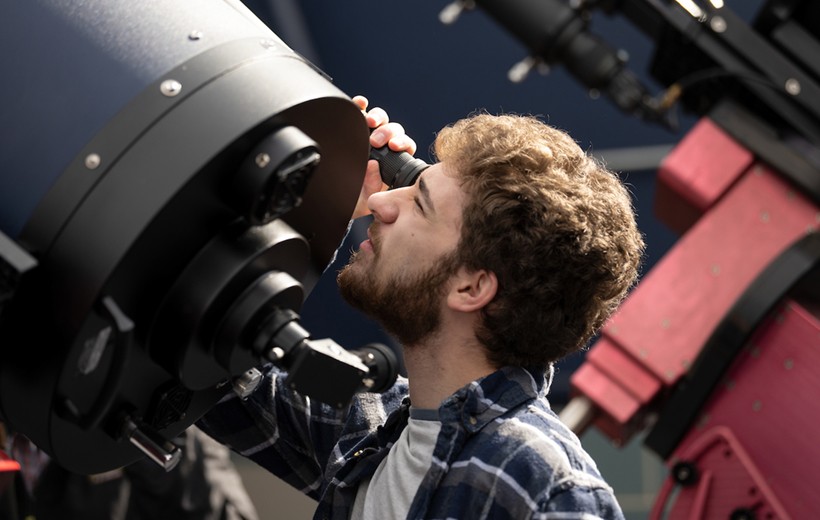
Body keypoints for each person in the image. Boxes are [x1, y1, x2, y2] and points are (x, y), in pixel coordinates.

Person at [198, 95, 644, 519]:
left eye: (420, 202)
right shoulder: (374, 428)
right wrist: (318, 208)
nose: (379, 201)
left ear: (472, 287)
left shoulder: (544, 488)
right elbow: (204, 356)